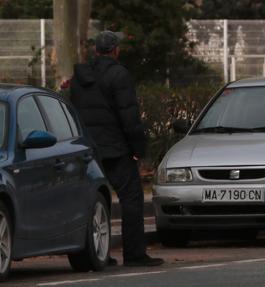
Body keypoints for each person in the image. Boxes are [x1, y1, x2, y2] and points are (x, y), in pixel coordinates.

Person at [70, 31, 164, 267]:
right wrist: (139, 149)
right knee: (131, 199)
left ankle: (97, 254)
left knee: (94, 202)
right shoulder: (119, 75)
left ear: (95, 51)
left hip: (89, 150)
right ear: (116, 51)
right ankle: (134, 254)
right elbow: (129, 116)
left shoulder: (80, 77)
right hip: (116, 149)